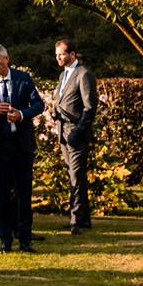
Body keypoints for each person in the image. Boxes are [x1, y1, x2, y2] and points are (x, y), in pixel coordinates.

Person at [0, 43, 45, 253]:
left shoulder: (23, 79)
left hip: (22, 145)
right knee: (2, 193)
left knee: (24, 192)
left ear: (7, 58)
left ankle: (24, 238)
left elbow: (39, 104)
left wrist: (22, 114)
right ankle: (5, 239)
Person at [53, 39, 97, 234]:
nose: (58, 58)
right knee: (73, 174)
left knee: (76, 176)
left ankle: (76, 220)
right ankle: (83, 218)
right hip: (62, 131)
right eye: (56, 55)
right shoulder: (63, 75)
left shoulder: (84, 74)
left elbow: (90, 108)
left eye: (61, 54)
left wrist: (77, 132)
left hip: (76, 133)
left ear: (72, 54)